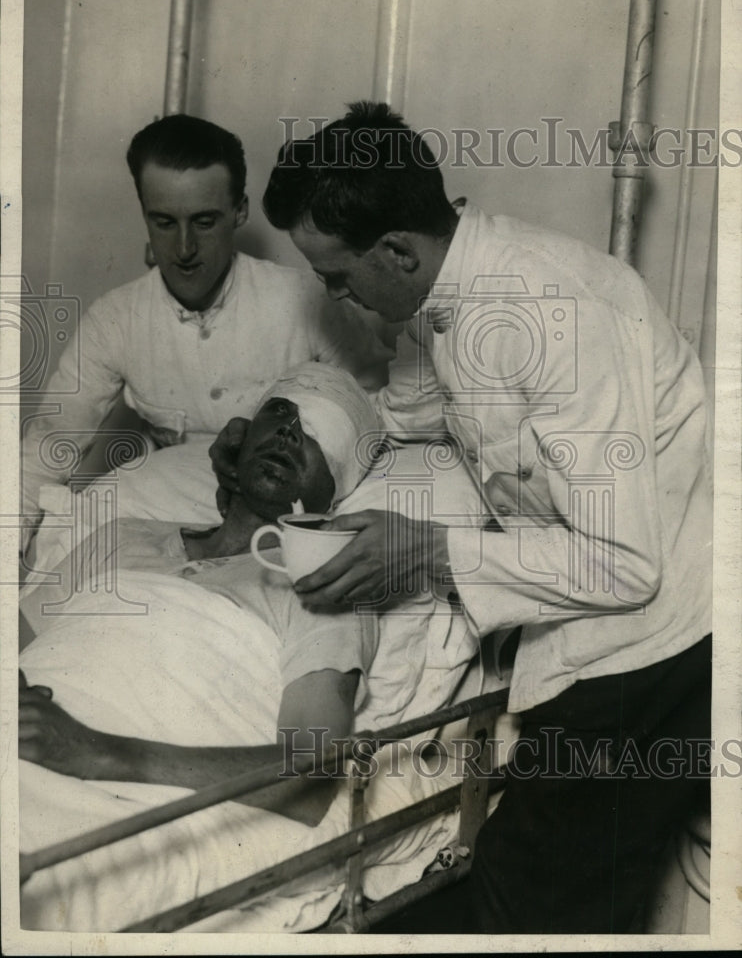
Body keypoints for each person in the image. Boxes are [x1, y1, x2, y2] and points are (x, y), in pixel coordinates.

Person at [211, 101, 713, 933]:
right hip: (592, 636)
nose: (335, 295)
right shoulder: (448, 298)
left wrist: (428, 553)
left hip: (653, 645)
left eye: (337, 278)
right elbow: (414, 416)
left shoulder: (561, 313)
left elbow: (625, 565)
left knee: (529, 906)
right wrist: (275, 422)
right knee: (553, 896)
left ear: (398, 253)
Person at [19, 362, 382, 828]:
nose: (290, 432)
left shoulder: (324, 587)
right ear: (242, 438)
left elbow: (310, 776)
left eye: (318, 432)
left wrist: (97, 753)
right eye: (280, 411)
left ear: (336, 490)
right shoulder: (121, 535)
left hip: (112, 795)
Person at [19, 114, 392, 556]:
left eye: (204, 221)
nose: (183, 249)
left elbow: (379, 420)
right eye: (163, 222)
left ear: (240, 212)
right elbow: (44, 451)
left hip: (282, 535)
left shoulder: (305, 299)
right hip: (170, 527)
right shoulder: (114, 319)